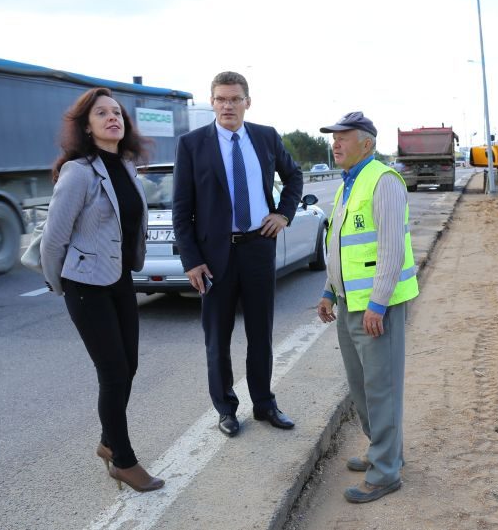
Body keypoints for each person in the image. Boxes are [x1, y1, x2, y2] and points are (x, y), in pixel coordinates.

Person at [41, 88, 163, 492]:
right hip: (85, 285)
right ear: (87, 126)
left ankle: (108, 442)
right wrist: (63, 286)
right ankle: (123, 460)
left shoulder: (126, 167)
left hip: (121, 278)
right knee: (112, 372)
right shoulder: (79, 171)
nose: (113, 118)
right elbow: (53, 239)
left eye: (117, 112)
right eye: (101, 113)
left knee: (129, 366)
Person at [172, 72, 303, 437]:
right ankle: (226, 409)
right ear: (212, 103)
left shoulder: (266, 137)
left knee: (261, 334)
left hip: (258, 248)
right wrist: (191, 260)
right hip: (214, 258)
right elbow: (181, 210)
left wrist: (284, 214)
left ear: (248, 101)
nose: (227, 105)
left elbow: (294, 178)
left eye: (234, 99)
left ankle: (264, 404)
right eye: (220, 99)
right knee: (218, 339)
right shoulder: (192, 145)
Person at [316, 111, 419, 504]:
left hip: (378, 308)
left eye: (344, 137)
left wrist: (378, 303)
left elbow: (391, 249)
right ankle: (385, 451)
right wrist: (329, 291)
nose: (335, 144)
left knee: (382, 390)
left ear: (367, 144)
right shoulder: (348, 184)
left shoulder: (383, 181)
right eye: (334, 138)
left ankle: (385, 473)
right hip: (348, 305)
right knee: (362, 389)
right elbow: (339, 248)